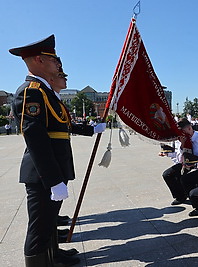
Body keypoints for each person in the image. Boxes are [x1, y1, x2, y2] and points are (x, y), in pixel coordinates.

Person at [10, 35, 106, 267]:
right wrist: (53, 179)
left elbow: (62, 125)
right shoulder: (31, 91)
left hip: (55, 166)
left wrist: (90, 130)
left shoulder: (45, 91)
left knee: (49, 221)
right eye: (54, 60)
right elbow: (35, 137)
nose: (58, 64)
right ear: (39, 60)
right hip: (44, 172)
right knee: (40, 227)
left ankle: (53, 256)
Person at [160, 118, 198, 206]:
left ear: (190, 128)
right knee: (167, 174)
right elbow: (179, 158)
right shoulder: (181, 138)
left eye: (183, 132)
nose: (181, 135)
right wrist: (181, 145)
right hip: (186, 163)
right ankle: (180, 196)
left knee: (186, 179)